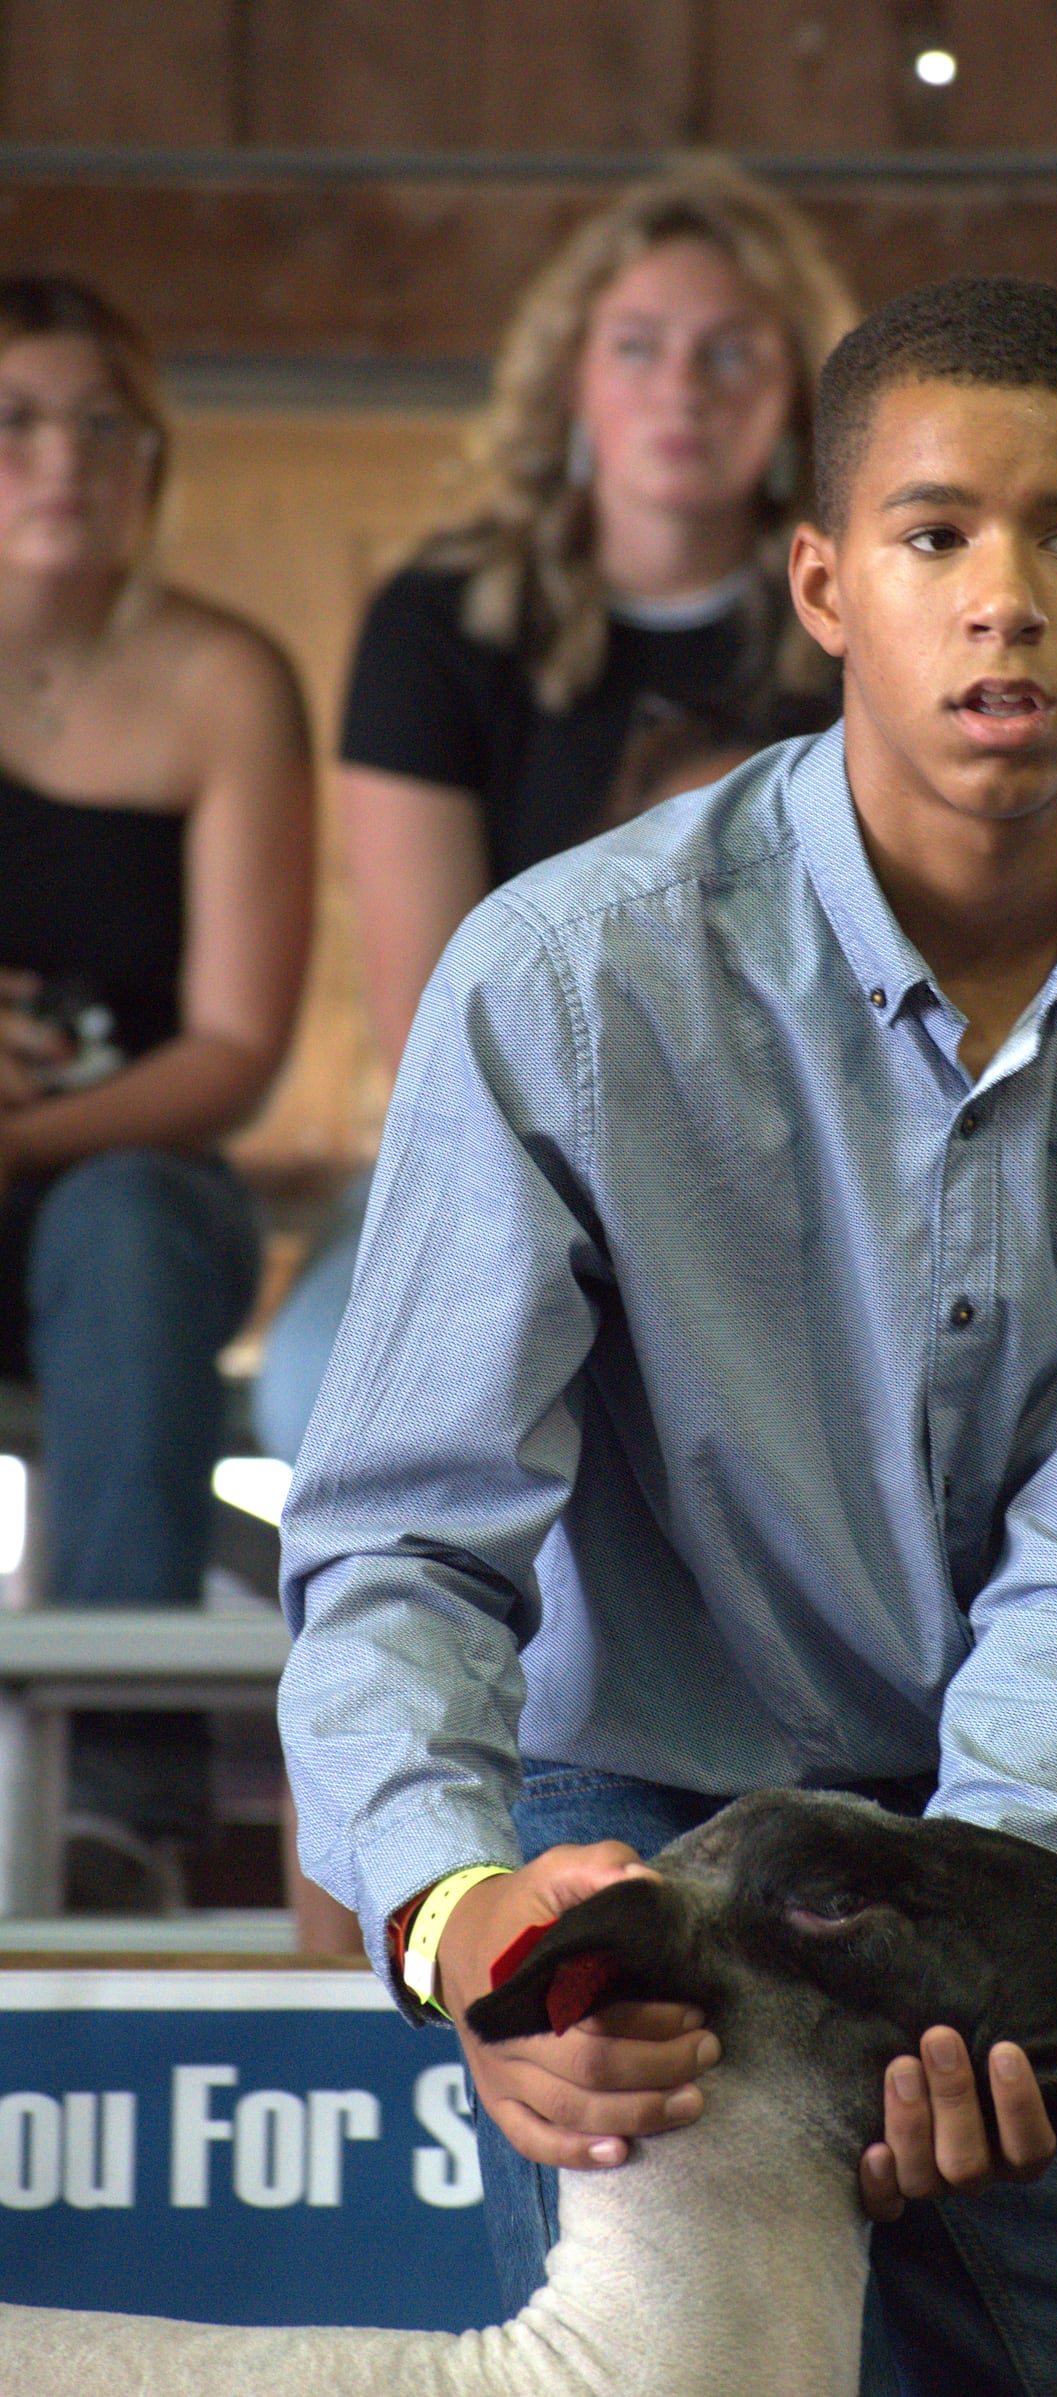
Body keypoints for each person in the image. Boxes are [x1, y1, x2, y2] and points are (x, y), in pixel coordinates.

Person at [280, 276, 1057, 2393]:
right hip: (645, 1822)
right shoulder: (562, 977)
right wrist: (462, 1925)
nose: (1004, 600)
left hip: (1014, 1839)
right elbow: (404, 1544)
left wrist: (966, 1962)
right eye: (930, 537)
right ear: (819, 582)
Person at [253, 160, 855, 1468]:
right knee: (313, 1384)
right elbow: (430, 1016)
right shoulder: (441, 625)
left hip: (790, 1164)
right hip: (494, 1146)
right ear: (573, 381)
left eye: (730, 352)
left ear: (797, 397)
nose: (681, 388)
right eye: (637, 347)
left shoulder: (859, 635)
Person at [0, 273, 312, 1908]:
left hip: (129, 1176)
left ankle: (112, 1801)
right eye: (19, 421)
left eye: (103, 423)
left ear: (152, 462)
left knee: (126, 1221)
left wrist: (23, 1135)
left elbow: (233, 1047)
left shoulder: (221, 682)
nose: (64, 456)